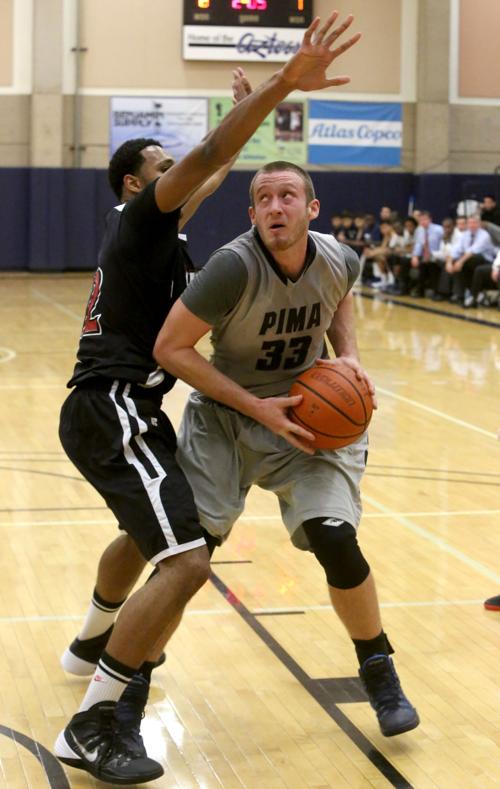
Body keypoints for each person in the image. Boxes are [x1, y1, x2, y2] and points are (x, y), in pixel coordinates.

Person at [54, 12, 363, 785]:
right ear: (138, 180)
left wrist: (238, 113)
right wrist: (281, 86)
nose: (182, 173)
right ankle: (93, 721)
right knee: (187, 558)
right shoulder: (141, 218)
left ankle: (89, 640)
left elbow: (218, 166)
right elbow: (214, 156)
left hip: (128, 408)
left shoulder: (157, 236)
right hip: (111, 401)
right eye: (165, 166)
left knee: (145, 538)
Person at [152, 159, 420, 740]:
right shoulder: (230, 268)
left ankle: (379, 669)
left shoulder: (338, 257)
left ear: (311, 208)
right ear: (252, 215)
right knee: (189, 559)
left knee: (336, 539)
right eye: (265, 199)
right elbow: (170, 348)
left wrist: (346, 354)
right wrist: (256, 408)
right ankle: (133, 670)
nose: (277, 207)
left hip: (307, 422)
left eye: (289, 196)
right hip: (226, 421)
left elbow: (340, 292)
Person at [445, 214, 497, 306]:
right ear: (467, 224)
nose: (472, 225)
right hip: (470, 260)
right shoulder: (465, 235)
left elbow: (473, 251)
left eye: (474, 223)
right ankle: (461, 294)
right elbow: (455, 250)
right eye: (470, 223)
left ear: (479, 223)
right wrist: (449, 262)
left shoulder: (484, 235)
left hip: (486, 261)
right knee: (455, 262)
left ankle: (472, 295)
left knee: (467, 260)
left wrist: (460, 262)